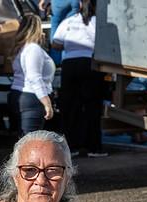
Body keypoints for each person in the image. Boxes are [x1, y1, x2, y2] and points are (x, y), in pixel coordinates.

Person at [53, 0, 107, 158]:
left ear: (80, 5)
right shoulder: (98, 22)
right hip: (91, 65)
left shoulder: (69, 21)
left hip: (70, 65)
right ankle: (93, 147)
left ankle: (72, 147)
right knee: (92, 107)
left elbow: (56, 44)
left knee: (70, 107)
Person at [8, 14, 56, 136]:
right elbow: (34, 77)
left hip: (19, 94)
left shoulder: (21, 48)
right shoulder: (33, 49)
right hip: (32, 98)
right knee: (31, 140)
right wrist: (47, 102)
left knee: (23, 140)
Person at [39, 0, 81, 64]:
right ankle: (68, 58)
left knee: (55, 27)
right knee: (71, 27)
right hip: (74, 1)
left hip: (58, 2)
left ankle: (56, 60)